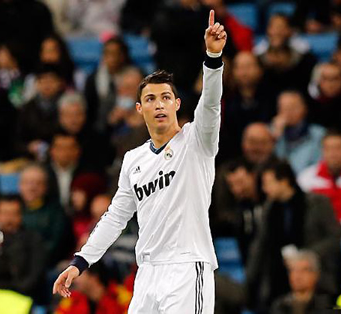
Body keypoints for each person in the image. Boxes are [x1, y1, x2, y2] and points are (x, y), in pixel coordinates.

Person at [54, 10, 227, 313]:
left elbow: (211, 104)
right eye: (150, 99)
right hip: (146, 273)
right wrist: (80, 262)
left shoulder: (197, 141)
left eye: (165, 97)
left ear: (177, 104)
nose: (158, 103)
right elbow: (115, 218)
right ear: (139, 108)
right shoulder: (133, 160)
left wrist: (213, 59)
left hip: (187, 267)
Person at [246, 161, 341, 312]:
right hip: (278, 278)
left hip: (317, 277)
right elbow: (261, 244)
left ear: (284, 181)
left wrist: (304, 257)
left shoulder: (318, 203)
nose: (264, 189)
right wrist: (250, 277)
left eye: (268, 183)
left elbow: (335, 237)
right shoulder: (269, 209)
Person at [272, 90, 326, 174]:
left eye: (292, 107)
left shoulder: (319, 134)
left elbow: (321, 164)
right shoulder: (269, 134)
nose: (288, 112)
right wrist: (275, 138)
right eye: (283, 108)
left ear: (304, 108)